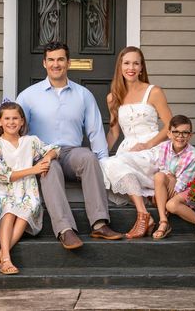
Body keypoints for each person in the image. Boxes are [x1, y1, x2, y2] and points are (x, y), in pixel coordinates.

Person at [16, 41, 123, 250]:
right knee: (50, 168)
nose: (56, 64)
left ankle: (100, 224)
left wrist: (104, 164)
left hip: (71, 153)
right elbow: (14, 127)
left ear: (68, 62)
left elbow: (95, 131)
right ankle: (65, 230)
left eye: (60, 59)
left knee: (90, 158)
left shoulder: (83, 95)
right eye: (51, 60)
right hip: (43, 153)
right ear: (44, 63)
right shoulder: (28, 96)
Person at [99, 46, 172, 239]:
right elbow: (114, 132)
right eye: (127, 63)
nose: (131, 67)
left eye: (136, 63)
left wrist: (148, 145)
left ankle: (143, 215)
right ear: (120, 67)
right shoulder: (113, 97)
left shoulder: (153, 91)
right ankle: (144, 213)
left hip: (152, 148)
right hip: (128, 151)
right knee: (105, 163)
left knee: (115, 163)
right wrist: (99, 154)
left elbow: (170, 126)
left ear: (141, 68)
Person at [0, 100, 60, 274]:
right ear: (0, 121)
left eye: (15, 118)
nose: (11, 122)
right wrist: (34, 169)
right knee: (9, 208)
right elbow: (3, 175)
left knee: (28, 207)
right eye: (7, 118)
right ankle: (6, 259)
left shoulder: (31, 141)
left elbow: (54, 149)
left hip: (27, 191)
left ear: (22, 121)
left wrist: (47, 158)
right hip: (3, 190)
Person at [152, 115, 195, 239]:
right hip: (171, 185)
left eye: (185, 133)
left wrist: (163, 194)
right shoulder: (163, 148)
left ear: (190, 135)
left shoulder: (193, 156)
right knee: (159, 176)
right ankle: (163, 221)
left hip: (188, 189)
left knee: (171, 205)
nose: (180, 136)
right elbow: (160, 169)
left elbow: (182, 185)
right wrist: (171, 178)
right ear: (169, 133)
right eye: (176, 132)